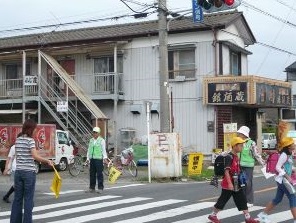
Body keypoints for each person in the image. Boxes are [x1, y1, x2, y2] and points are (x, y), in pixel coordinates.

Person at [10, 119, 53, 223]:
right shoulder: (30, 141)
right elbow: (35, 156)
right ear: (31, 129)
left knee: (17, 199)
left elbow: (18, 155)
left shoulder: (18, 139)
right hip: (28, 173)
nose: (36, 131)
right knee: (28, 200)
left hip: (18, 172)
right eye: (35, 128)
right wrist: (47, 161)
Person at [208, 137, 259, 223]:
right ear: (235, 146)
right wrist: (229, 184)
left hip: (236, 183)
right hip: (229, 184)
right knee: (222, 200)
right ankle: (213, 215)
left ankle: (248, 218)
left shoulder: (236, 156)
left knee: (242, 199)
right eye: (241, 145)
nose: (242, 147)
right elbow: (226, 171)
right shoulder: (229, 157)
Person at [257, 137, 296, 223]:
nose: (294, 144)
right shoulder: (284, 155)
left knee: (278, 199)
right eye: (292, 143)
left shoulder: (288, 154)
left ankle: (263, 215)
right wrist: (287, 176)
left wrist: (293, 169)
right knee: (292, 196)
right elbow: (277, 167)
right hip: (283, 180)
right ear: (289, 146)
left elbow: (286, 166)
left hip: (281, 180)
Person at [237, 125, 265, 207]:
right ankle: (243, 200)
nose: (238, 134)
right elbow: (230, 151)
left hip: (249, 165)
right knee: (240, 183)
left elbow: (256, 154)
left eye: (240, 133)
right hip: (239, 165)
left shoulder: (251, 143)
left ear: (244, 134)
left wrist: (263, 164)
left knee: (248, 183)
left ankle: (249, 201)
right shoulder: (237, 142)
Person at [86, 127, 108, 193]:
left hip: (99, 159)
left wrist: (105, 158)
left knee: (99, 174)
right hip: (92, 159)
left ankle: (100, 188)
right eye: (93, 132)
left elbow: (103, 150)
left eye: (96, 132)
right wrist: (87, 158)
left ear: (98, 133)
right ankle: (92, 188)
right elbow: (89, 150)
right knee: (92, 174)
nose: (94, 133)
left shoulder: (102, 140)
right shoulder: (91, 140)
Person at [2, 134, 19, 203]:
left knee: (17, 185)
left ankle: (6, 196)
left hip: (22, 169)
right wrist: (6, 168)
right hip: (15, 168)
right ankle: (12, 198)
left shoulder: (26, 147)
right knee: (17, 185)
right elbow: (9, 158)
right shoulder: (14, 147)